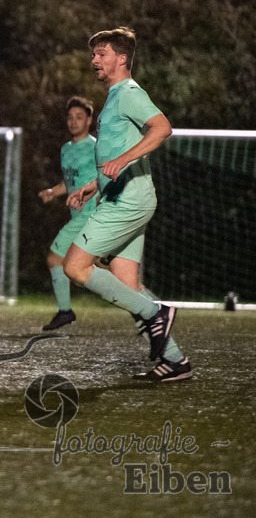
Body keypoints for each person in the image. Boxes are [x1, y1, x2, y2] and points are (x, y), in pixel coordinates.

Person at [62, 27, 191, 382]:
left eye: (101, 53)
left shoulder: (130, 93)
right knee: (126, 283)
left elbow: (162, 128)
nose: (94, 60)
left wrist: (124, 160)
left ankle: (156, 312)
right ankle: (175, 361)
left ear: (121, 58)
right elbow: (117, 151)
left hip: (128, 203)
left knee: (75, 268)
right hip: (124, 197)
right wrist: (94, 185)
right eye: (94, 54)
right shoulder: (115, 96)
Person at [37, 96, 98, 331]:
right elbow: (70, 180)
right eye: (70, 117)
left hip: (89, 216)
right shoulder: (66, 149)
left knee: (55, 258)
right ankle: (150, 309)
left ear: (89, 120)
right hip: (78, 217)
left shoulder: (95, 147)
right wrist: (54, 191)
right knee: (110, 268)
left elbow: (103, 179)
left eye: (79, 117)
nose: (73, 122)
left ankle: (65, 311)